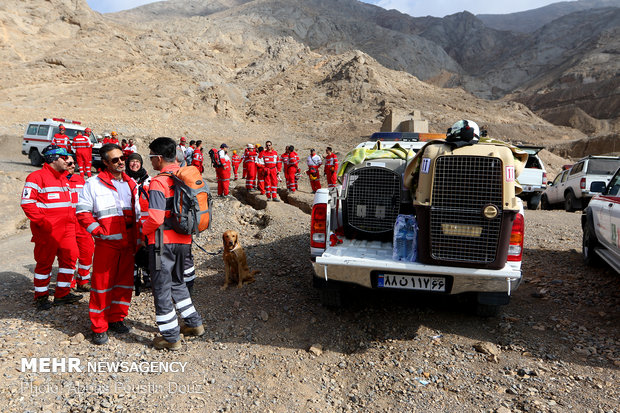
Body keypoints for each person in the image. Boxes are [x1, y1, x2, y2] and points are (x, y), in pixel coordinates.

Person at [142, 137, 204, 350]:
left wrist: (143, 231)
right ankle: (194, 324)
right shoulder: (184, 175)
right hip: (183, 240)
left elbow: (156, 218)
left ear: (159, 158)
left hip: (161, 242)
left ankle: (170, 337)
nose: (151, 162)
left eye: (151, 157)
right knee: (178, 282)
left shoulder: (159, 182)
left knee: (161, 288)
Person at [77, 144, 140, 345]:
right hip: (108, 244)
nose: (121, 162)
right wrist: (98, 232)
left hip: (129, 243)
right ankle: (99, 326)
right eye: (115, 160)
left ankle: (116, 319)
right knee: (102, 286)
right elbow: (82, 212)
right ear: (105, 163)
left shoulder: (131, 183)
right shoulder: (93, 184)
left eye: (122, 158)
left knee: (124, 285)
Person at [21, 145, 81, 311]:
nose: (68, 161)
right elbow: (27, 203)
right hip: (47, 229)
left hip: (67, 227)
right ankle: (41, 296)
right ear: (53, 158)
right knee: (44, 262)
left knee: (70, 257)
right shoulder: (36, 177)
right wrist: (44, 222)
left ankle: (62, 293)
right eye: (65, 157)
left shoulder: (63, 178)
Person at [65, 157, 94, 292]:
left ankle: (83, 281)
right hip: (66, 225)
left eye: (73, 163)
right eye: (69, 163)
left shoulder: (80, 180)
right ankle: (67, 285)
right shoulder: (58, 180)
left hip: (81, 223)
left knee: (87, 251)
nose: (72, 166)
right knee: (69, 256)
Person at [126, 153, 152, 289]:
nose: (134, 164)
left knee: (146, 249)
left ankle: (147, 276)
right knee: (132, 250)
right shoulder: (123, 179)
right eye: (132, 161)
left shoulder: (149, 180)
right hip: (130, 223)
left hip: (146, 222)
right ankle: (133, 278)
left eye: (137, 161)